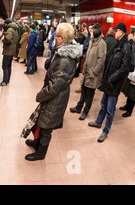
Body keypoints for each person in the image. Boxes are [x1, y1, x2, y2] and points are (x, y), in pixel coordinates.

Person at [25, 23, 83, 161]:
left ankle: (41, 153)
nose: (53, 37)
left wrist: (40, 95)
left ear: (62, 39)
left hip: (55, 98)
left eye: (56, 36)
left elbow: (54, 87)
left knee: (47, 126)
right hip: (54, 96)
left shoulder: (65, 60)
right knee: (42, 120)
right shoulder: (62, 53)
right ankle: (37, 143)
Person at [88, 22, 132, 143]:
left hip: (115, 83)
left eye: (116, 30)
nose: (114, 32)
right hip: (109, 81)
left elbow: (125, 68)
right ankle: (98, 122)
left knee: (110, 109)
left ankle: (106, 131)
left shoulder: (126, 47)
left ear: (121, 32)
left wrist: (112, 78)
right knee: (103, 104)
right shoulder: (119, 44)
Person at [70, 24, 106, 120]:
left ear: (96, 33)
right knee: (84, 91)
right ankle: (79, 107)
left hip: (93, 74)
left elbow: (101, 60)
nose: (90, 33)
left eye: (91, 32)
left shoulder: (102, 44)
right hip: (87, 72)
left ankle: (85, 111)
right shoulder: (91, 42)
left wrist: (94, 72)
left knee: (90, 94)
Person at [0, 19, 18, 86]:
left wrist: (3, 40)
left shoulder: (9, 30)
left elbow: (8, 39)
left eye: (5, 23)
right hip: (12, 51)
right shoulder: (15, 30)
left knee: (5, 66)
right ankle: (8, 79)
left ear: (7, 24)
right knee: (9, 66)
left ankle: (5, 81)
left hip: (8, 51)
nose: (4, 25)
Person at [120, 34, 135, 117]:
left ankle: (129, 111)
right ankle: (127, 106)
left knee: (133, 93)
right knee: (129, 91)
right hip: (133, 73)